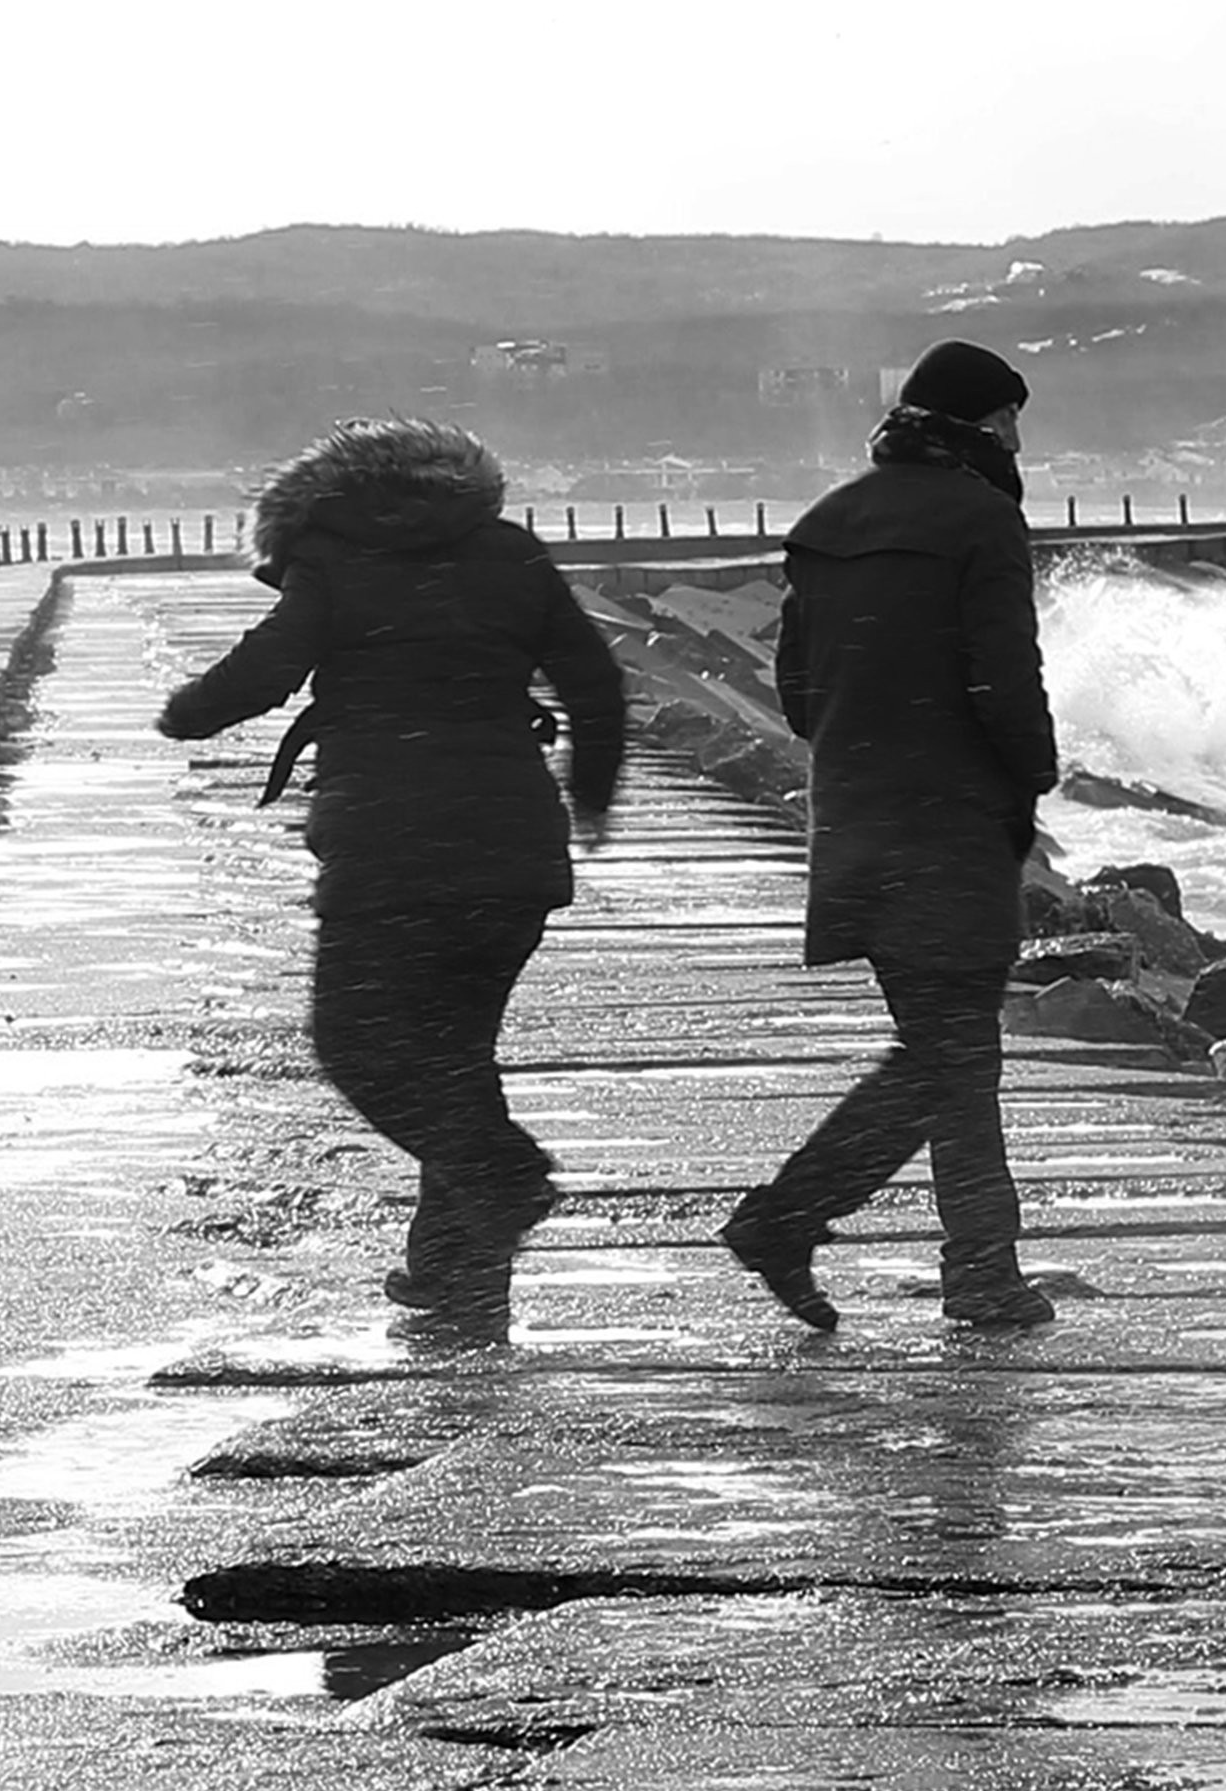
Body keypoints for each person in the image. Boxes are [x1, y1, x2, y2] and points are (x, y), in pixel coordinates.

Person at [156, 419, 626, 1337]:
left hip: (390, 846)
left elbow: (270, 666)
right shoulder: (509, 552)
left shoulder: (332, 557)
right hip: (508, 847)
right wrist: (592, 800)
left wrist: (189, 713)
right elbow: (595, 683)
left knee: (358, 1044)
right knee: (455, 1059)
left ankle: (503, 1182)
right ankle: (458, 1273)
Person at [726, 337, 1060, 1331]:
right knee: (952, 1057)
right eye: (1006, 421)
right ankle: (830, 1226)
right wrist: (1034, 770)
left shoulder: (829, 522)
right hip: (953, 821)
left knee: (944, 1050)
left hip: (858, 821)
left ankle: (964, 1263)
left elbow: (795, 693)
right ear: (976, 427)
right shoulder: (983, 524)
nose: (1014, 439)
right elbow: (1007, 677)